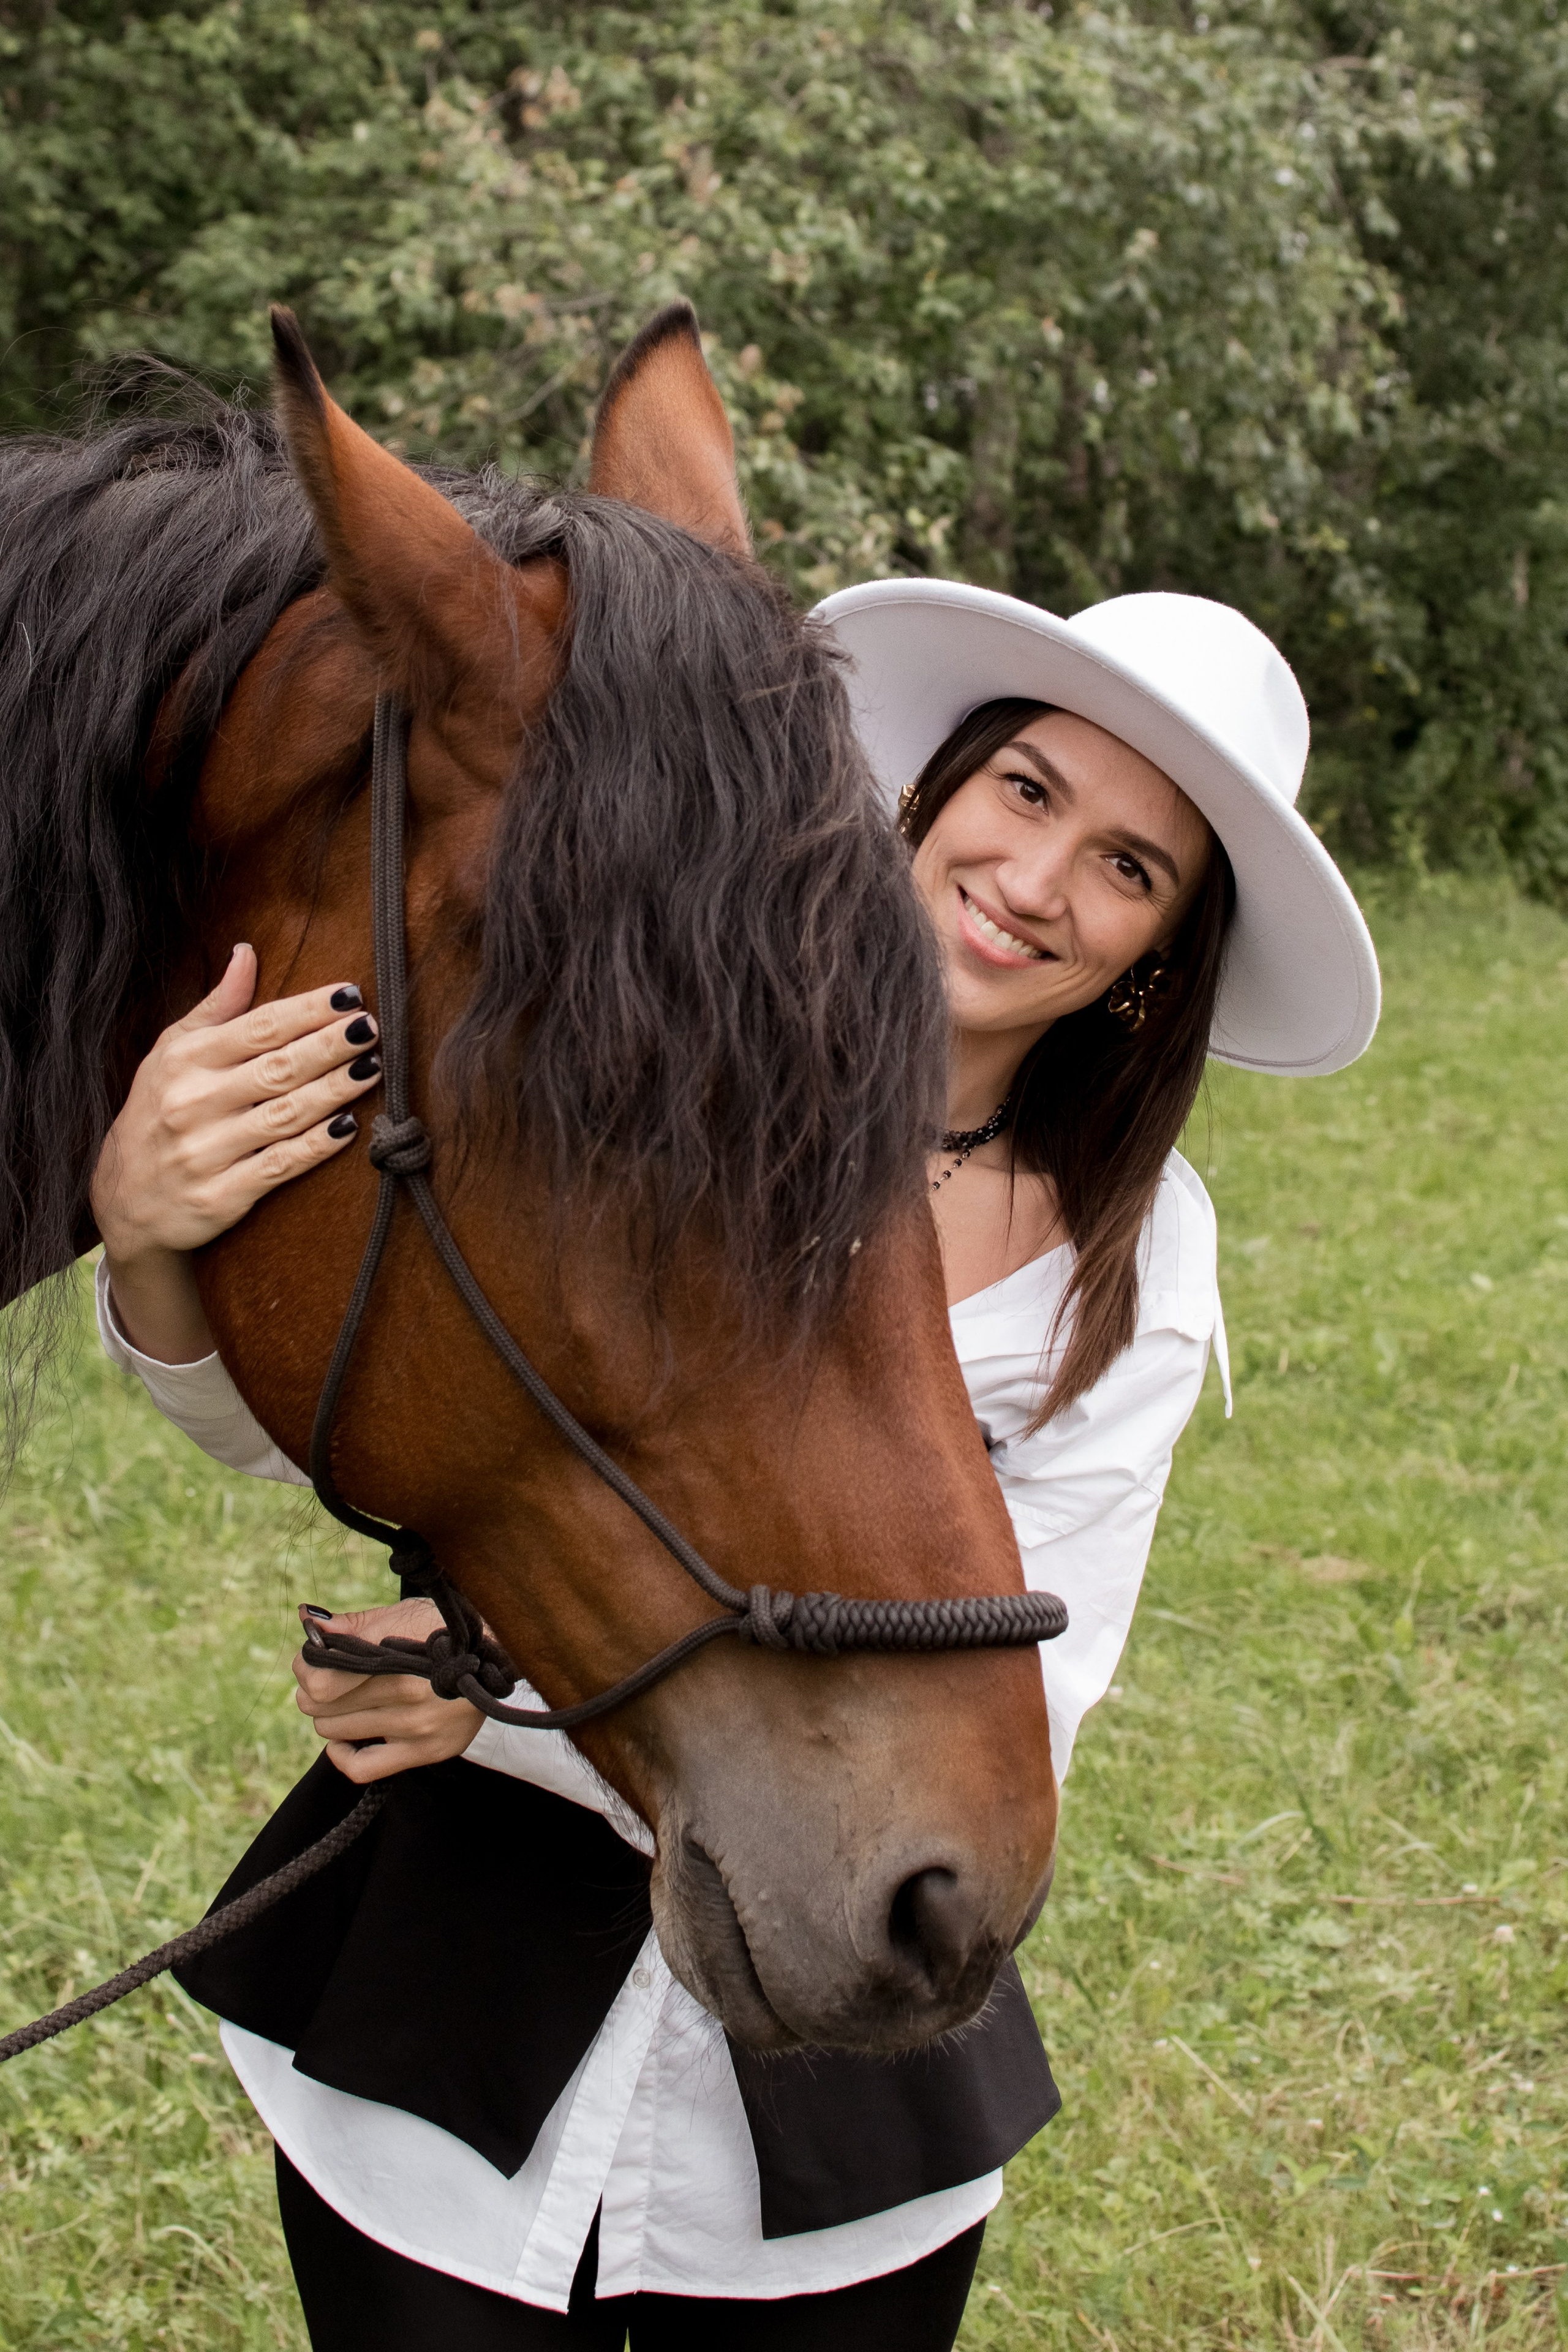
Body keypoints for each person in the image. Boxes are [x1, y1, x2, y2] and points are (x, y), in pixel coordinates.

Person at [88, 584, 1379, 2349]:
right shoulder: (646, 1070)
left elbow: (1044, 1695)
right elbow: (289, 1429)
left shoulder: (1128, 1265)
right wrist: (155, 1245)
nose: (1039, 878)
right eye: (1025, 790)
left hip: (846, 2073)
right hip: (450, 2008)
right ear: (933, 792)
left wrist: (503, 1704)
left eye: (1130, 867)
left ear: (1157, 949)